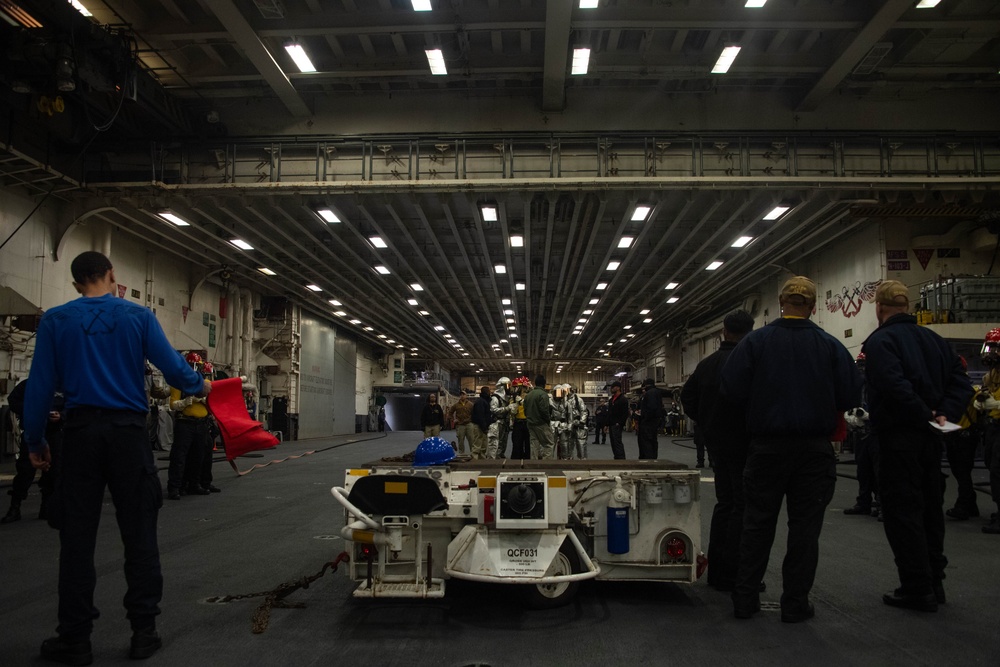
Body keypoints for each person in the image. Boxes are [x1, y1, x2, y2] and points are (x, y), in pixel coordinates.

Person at [22, 251, 209, 663]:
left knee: (75, 541)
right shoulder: (138, 317)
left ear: (75, 284)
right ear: (112, 276)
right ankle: (144, 631)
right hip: (127, 436)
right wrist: (200, 385)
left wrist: (35, 441)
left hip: (80, 436)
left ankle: (75, 638)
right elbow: (176, 372)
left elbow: (37, 386)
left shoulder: (55, 320)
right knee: (139, 534)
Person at [720, 276, 861, 623]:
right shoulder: (830, 346)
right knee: (804, 530)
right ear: (813, 307)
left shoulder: (755, 343)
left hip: (767, 447)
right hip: (814, 451)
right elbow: (849, 396)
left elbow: (731, 389)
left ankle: (745, 599)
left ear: (782, 303)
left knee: (757, 524)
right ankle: (795, 603)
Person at [863, 279, 973, 610]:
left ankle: (915, 586)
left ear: (879, 308)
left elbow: (893, 385)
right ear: (907, 306)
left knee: (901, 511)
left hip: (898, 438)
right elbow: (961, 384)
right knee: (930, 508)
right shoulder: (936, 340)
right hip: (931, 439)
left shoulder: (880, 341)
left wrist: (923, 413)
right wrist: (942, 415)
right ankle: (935, 581)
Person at [680, 309, 754, 592]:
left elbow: (688, 396)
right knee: (743, 506)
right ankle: (735, 574)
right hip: (745, 442)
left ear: (724, 331)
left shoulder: (707, 363)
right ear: (751, 331)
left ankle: (718, 571)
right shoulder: (749, 361)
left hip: (717, 441)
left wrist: (707, 421)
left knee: (725, 504)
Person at [2, 379, 64, 524]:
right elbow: (13, 401)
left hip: (55, 434)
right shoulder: (29, 384)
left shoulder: (63, 387)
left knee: (53, 473)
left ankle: (46, 507)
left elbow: (72, 407)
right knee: (25, 471)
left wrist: (61, 416)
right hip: (32, 432)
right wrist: (33, 411)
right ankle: (14, 508)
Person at [167, 353, 213, 500]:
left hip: (201, 423)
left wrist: (205, 400)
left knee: (198, 456)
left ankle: (194, 484)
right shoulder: (178, 383)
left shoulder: (205, 383)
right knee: (179, 457)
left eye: (196, 366)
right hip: (185, 423)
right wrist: (186, 401)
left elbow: (213, 404)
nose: (194, 369)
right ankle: (176, 487)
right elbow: (172, 405)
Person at [842, 353, 880, 519]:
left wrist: (870, 416)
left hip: (878, 432)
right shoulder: (856, 384)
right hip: (862, 432)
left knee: (879, 471)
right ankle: (864, 501)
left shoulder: (879, 383)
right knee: (863, 470)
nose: (861, 369)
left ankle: (881, 503)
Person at [974, 328, 1000, 533]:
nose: (989, 353)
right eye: (988, 348)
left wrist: (996, 405)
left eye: (994, 349)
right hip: (993, 428)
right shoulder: (991, 375)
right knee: (993, 468)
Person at [523, 375, 554, 459]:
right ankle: (546, 465)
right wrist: (548, 420)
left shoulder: (529, 395)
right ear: (544, 384)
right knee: (548, 444)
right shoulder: (543, 394)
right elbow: (544, 410)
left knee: (534, 444)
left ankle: (534, 464)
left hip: (530, 423)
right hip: (541, 423)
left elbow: (525, 410)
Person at [488, 377, 516, 458]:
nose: (509, 388)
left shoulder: (507, 397)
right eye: (507, 386)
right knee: (495, 443)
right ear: (502, 386)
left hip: (505, 423)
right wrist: (506, 408)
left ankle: (500, 455)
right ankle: (494, 459)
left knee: (503, 442)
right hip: (497, 423)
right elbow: (493, 409)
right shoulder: (495, 397)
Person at [636, 378, 664, 459]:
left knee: (647, 441)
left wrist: (645, 418)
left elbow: (651, 408)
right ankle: (651, 458)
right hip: (653, 421)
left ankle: (648, 459)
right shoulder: (656, 392)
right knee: (652, 441)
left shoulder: (650, 393)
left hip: (648, 422)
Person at [510, 376, 532, 459]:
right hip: (518, 422)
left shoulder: (529, 397)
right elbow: (512, 411)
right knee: (517, 444)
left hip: (528, 422)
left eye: (521, 387)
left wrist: (522, 401)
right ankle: (516, 462)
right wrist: (515, 404)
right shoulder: (514, 398)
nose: (519, 389)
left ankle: (528, 461)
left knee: (528, 445)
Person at [446, 391, 474, 455]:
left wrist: (472, 420)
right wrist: (453, 419)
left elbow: (474, 413)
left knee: (471, 439)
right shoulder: (456, 405)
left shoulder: (470, 404)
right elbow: (450, 412)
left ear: (466, 396)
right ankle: (461, 453)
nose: (462, 396)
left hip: (469, 424)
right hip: (460, 425)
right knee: (460, 440)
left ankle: (473, 453)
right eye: (461, 395)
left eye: (463, 394)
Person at [566, 383, 589, 459]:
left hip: (578, 426)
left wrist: (582, 422)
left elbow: (584, 411)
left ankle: (582, 462)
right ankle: (569, 462)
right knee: (568, 446)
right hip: (568, 426)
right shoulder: (563, 400)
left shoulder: (578, 399)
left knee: (581, 444)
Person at [607, 381, 629, 460]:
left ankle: (621, 458)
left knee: (617, 442)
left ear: (618, 388)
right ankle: (616, 457)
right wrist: (607, 424)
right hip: (611, 424)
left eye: (613, 387)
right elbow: (609, 413)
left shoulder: (623, 400)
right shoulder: (611, 400)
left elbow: (625, 413)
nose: (611, 389)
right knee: (613, 442)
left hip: (617, 424)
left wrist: (620, 423)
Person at [470, 386, 493, 459]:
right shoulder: (480, 402)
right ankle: (475, 460)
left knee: (483, 445)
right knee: (477, 445)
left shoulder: (485, 401)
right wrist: (484, 427)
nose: (490, 392)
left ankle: (482, 461)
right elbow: (481, 416)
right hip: (479, 426)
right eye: (489, 391)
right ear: (486, 392)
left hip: (483, 426)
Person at [550, 384, 572, 459]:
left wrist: (569, 426)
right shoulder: (549, 402)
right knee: (551, 444)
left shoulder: (566, 403)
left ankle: (565, 460)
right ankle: (549, 461)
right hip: (552, 425)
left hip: (563, 426)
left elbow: (570, 416)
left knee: (564, 444)